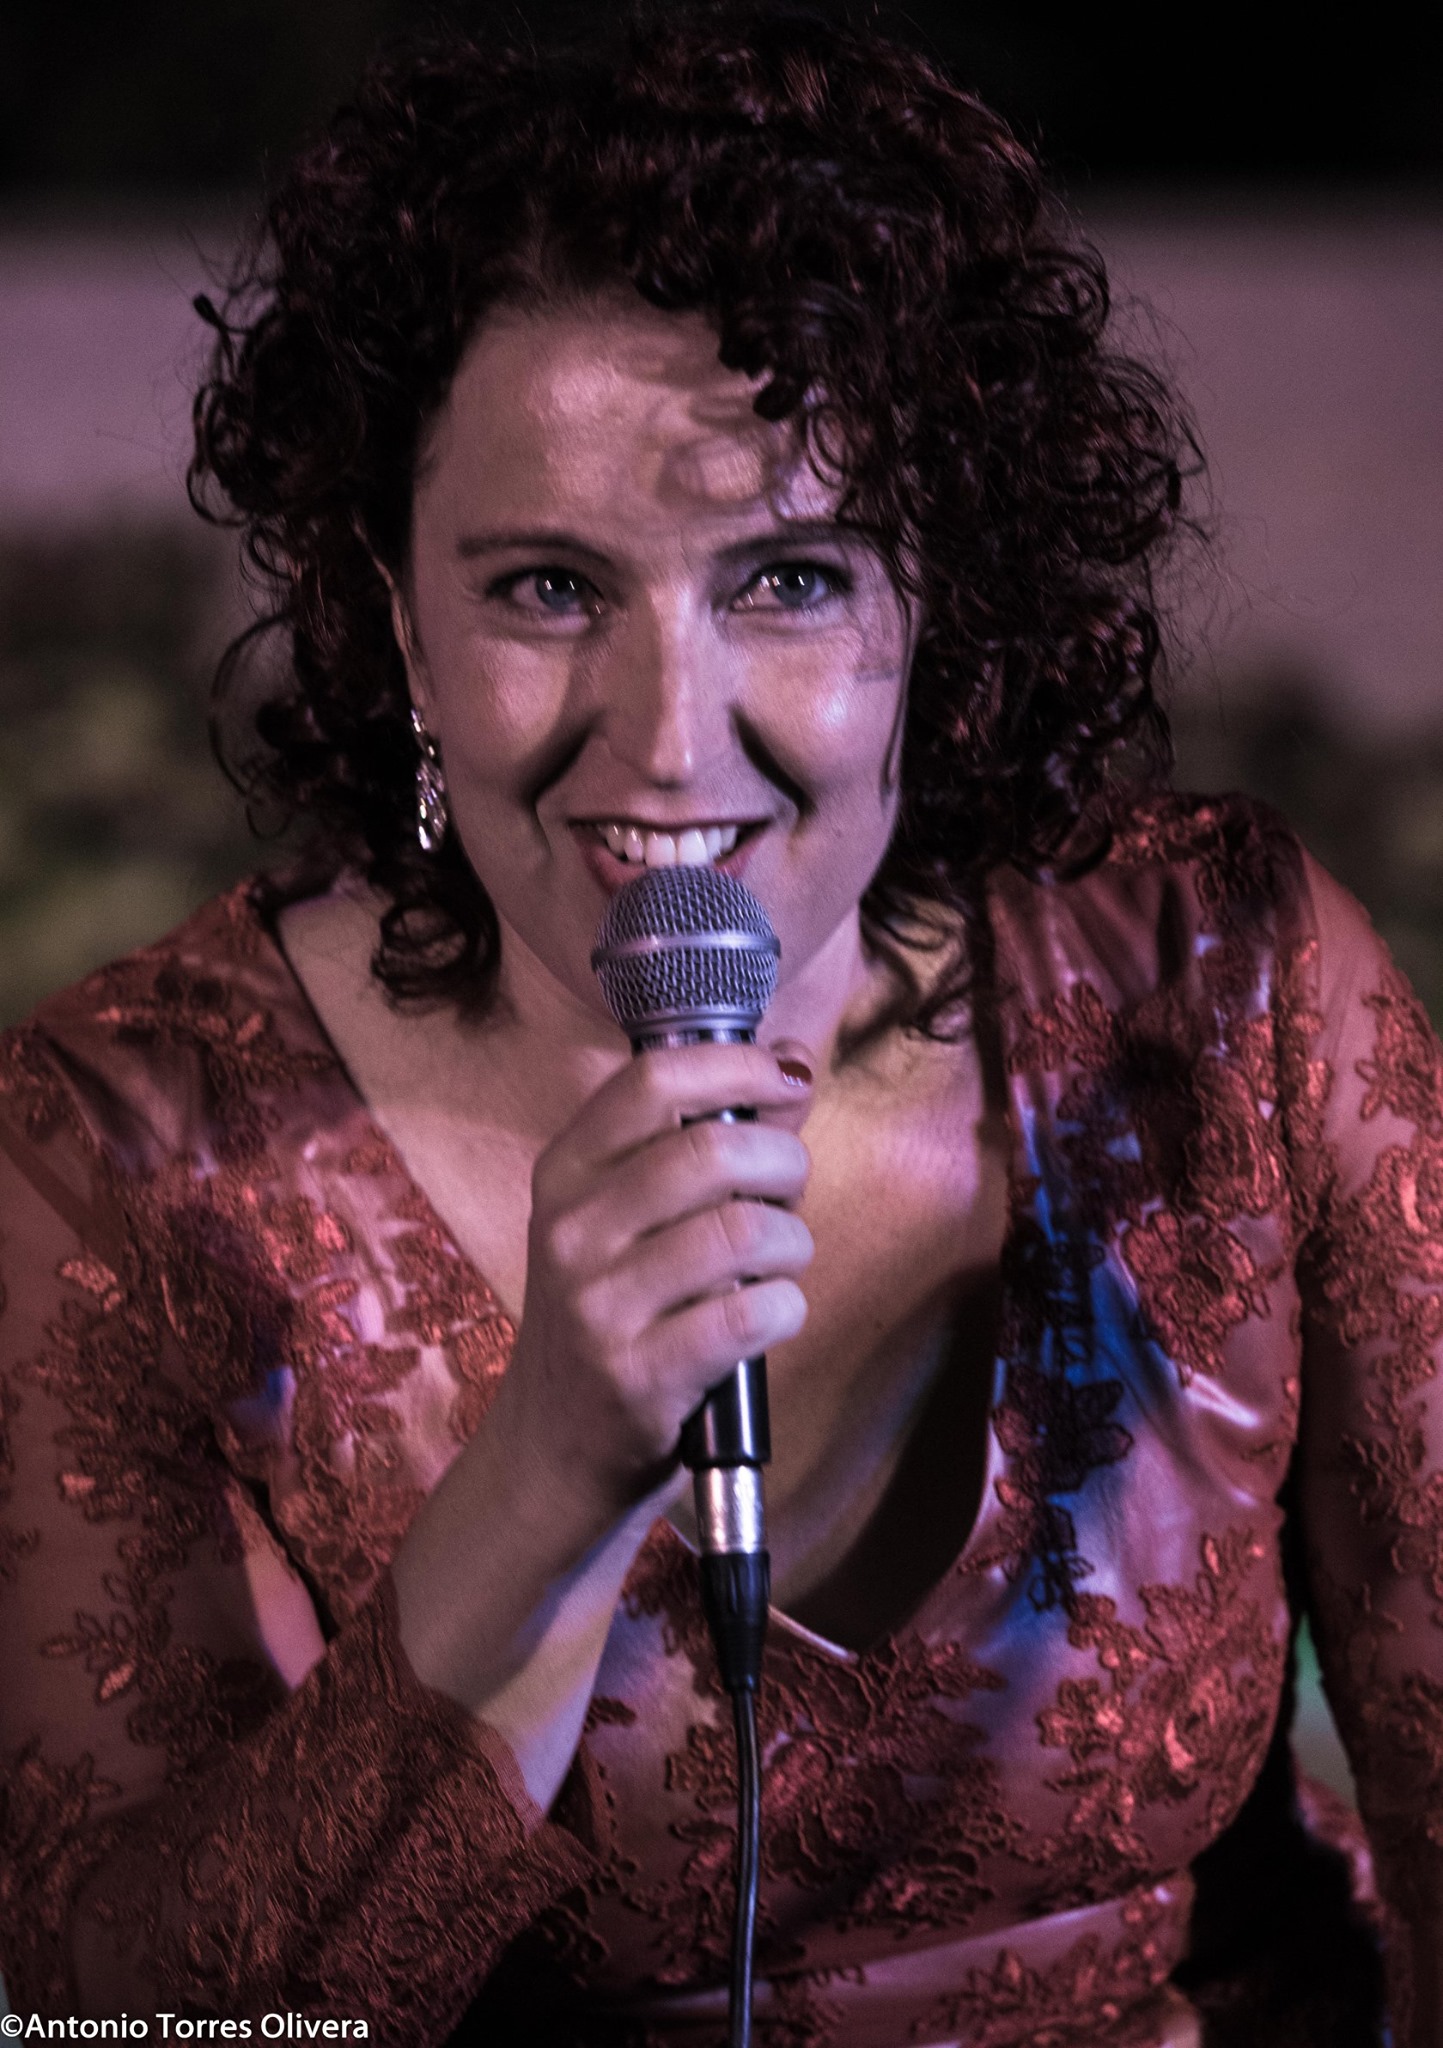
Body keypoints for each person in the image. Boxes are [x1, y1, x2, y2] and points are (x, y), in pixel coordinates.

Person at [0, 8, 1437, 2043]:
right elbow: (138, 2022)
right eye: (545, 590)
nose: (671, 739)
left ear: (930, 597)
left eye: (786, 578)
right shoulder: (119, 1154)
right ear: (399, 621)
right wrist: (542, 1482)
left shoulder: (1224, 988)